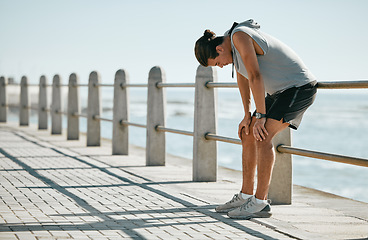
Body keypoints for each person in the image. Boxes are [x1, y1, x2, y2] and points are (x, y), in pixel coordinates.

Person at [194, 19, 317, 219]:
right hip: (278, 92)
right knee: (247, 132)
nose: (222, 66)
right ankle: (245, 196)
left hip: (299, 88)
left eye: (218, 63)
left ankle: (260, 203)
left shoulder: (239, 36)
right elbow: (243, 78)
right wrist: (247, 115)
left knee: (262, 134)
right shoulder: (232, 44)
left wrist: (259, 116)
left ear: (219, 49)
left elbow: (256, 76)